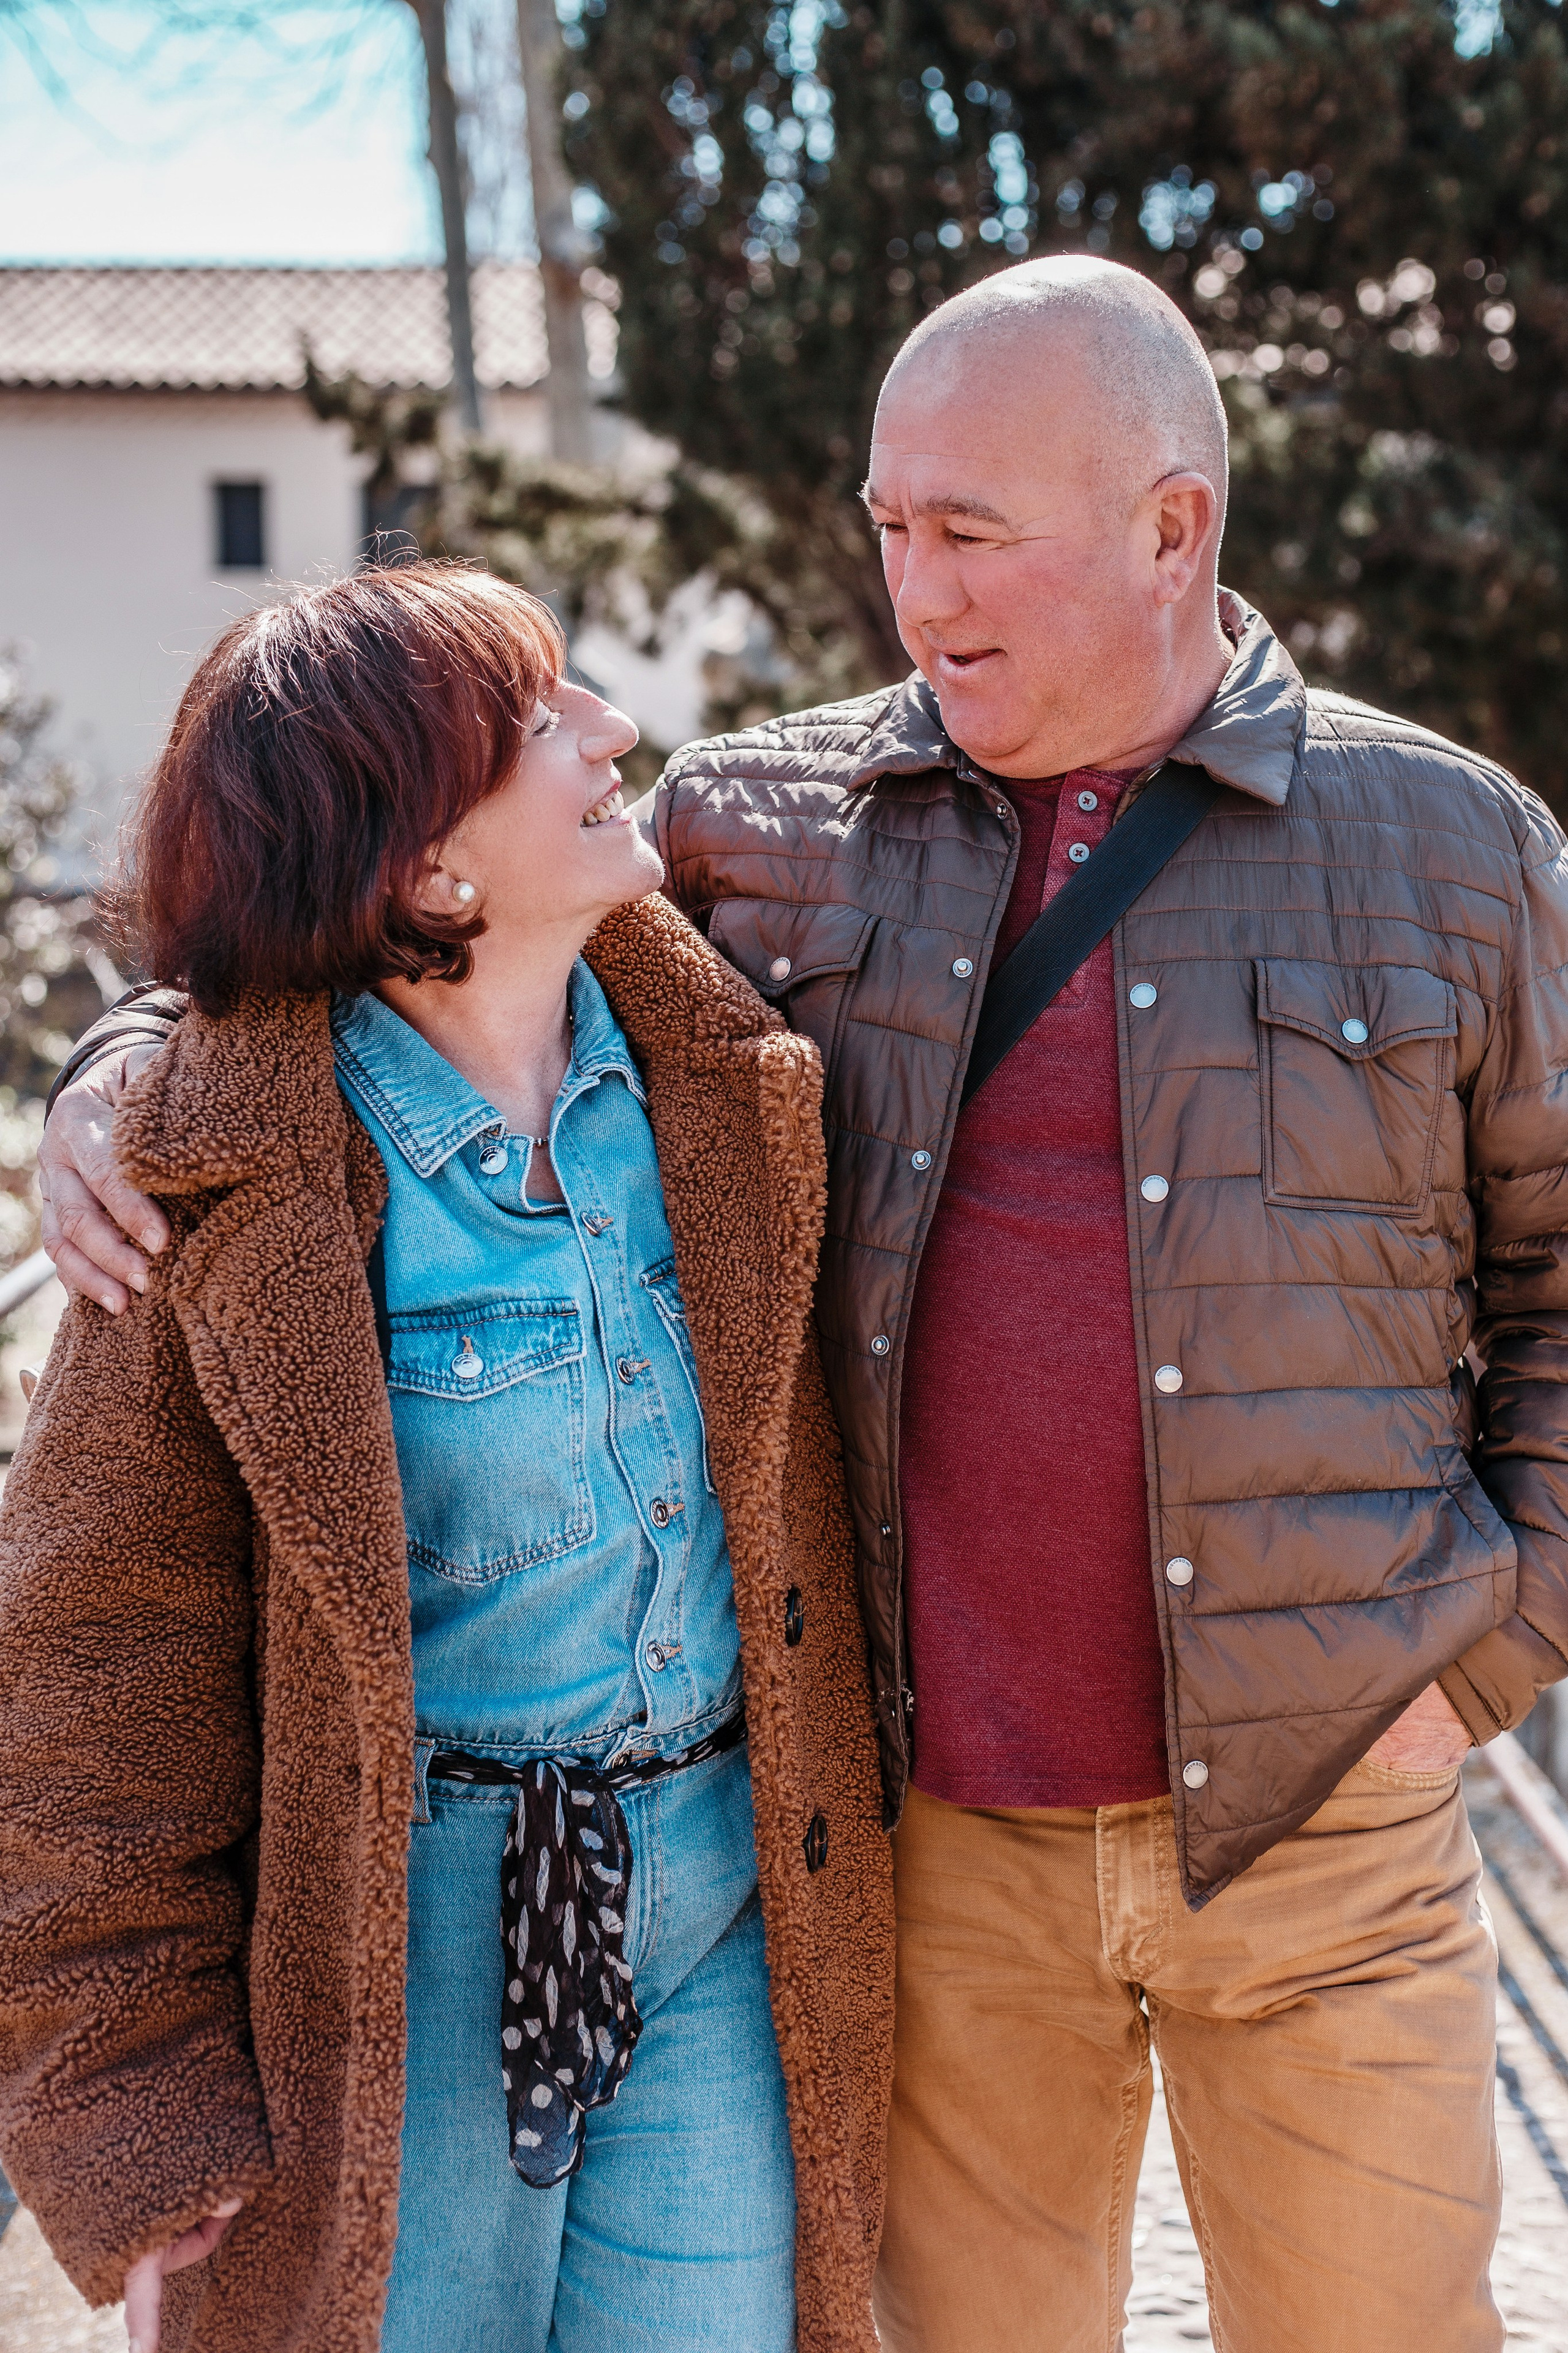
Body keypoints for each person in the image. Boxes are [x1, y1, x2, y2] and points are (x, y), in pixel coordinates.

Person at [38, 256, 1568, 2351]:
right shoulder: (762, 831)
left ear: (1171, 527)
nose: (909, 585)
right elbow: (351, 893)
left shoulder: (1457, 849)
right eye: (886, 521)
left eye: (968, 531)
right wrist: (115, 1069)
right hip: (930, 1847)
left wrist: (1490, 1649)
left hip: (1323, 1818)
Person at [0, 564, 893, 2353]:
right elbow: (90, 1680)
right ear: (423, 869)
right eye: (542, 716)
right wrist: (132, 2113)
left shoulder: (727, 1083)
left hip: (723, 1895)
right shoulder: (210, 1188)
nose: (614, 729)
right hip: (392, 1948)